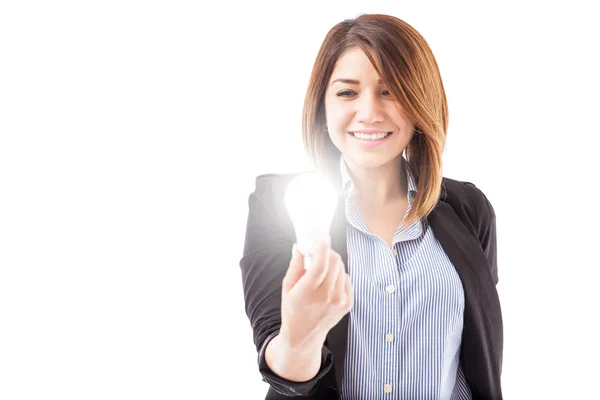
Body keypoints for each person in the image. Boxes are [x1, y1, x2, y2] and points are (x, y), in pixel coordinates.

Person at [239, 13, 503, 400]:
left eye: (390, 90)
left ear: (418, 100)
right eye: (347, 92)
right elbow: (278, 365)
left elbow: (477, 353)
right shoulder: (281, 205)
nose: (370, 112)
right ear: (322, 106)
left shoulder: (469, 209)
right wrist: (299, 338)